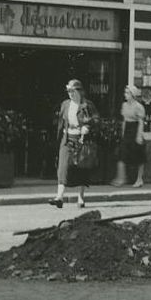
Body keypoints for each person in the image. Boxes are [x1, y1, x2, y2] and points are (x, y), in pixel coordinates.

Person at [49, 79, 97, 208]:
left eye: (72, 91)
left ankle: (81, 197)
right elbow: (61, 121)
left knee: (81, 168)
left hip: (81, 140)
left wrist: (88, 127)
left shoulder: (87, 105)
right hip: (67, 138)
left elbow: (96, 120)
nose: (70, 93)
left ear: (79, 91)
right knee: (63, 166)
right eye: (68, 91)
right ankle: (59, 197)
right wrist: (59, 137)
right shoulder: (65, 104)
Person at [111, 85, 147, 188]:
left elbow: (141, 122)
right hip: (127, 130)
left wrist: (139, 136)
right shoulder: (124, 105)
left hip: (135, 130)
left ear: (133, 95)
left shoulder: (139, 107)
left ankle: (139, 179)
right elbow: (124, 120)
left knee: (139, 156)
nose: (125, 95)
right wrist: (123, 133)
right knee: (122, 154)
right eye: (125, 92)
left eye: (127, 93)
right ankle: (121, 178)